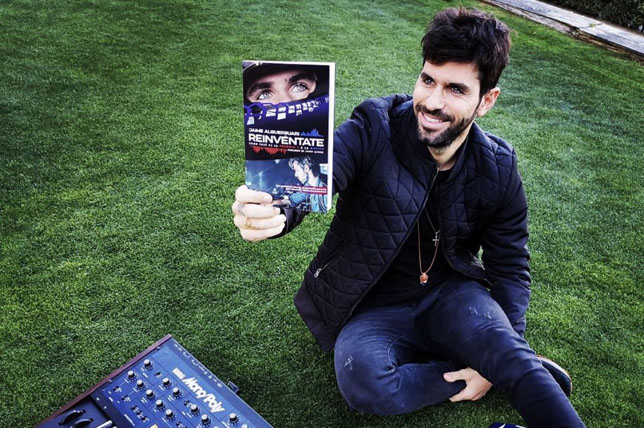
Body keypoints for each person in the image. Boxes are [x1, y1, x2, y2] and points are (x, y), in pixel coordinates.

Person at [232, 7, 585, 428]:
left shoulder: (498, 166)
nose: (432, 102)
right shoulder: (373, 125)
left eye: (455, 89)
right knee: (364, 383)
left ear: (486, 100)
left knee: (505, 346)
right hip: (372, 304)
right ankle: (498, 367)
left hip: (451, 296)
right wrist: (275, 211)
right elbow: (319, 175)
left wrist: (508, 343)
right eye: (428, 80)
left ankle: (508, 361)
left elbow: (509, 267)